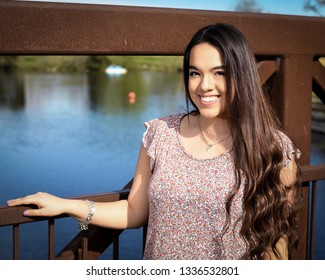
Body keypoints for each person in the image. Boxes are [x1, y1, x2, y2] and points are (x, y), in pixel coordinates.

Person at [7, 23, 301, 260]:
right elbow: (134, 212)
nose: (204, 86)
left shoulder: (274, 149)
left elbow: (277, 247)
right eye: (194, 73)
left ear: (243, 76)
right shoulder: (161, 133)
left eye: (219, 73)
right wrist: (67, 205)